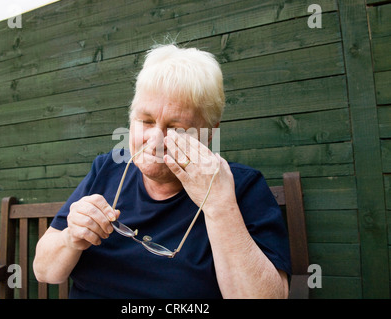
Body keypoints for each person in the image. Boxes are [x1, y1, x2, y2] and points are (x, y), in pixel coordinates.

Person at [33, 43, 291, 298]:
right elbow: (45, 272)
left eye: (176, 128)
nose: (154, 140)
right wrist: (71, 239)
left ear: (210, 133)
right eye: (145, 121)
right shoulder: (107, 169)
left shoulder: (242, 188)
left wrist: (220, 206)